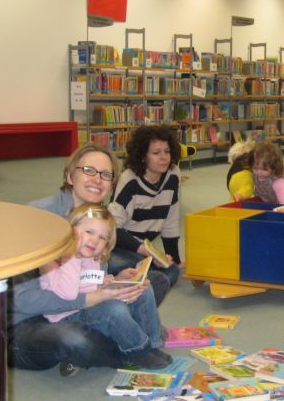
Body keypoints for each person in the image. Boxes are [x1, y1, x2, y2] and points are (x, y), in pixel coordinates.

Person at [12, 143, 144, 375]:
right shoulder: (38, 218)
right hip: (27, 322)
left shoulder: (97, 219)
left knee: (150, 282)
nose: (98, 180)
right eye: (88, 170)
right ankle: (132, 346)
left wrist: (112, 283)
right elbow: (23, 301)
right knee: (75, 339)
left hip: (73, 307)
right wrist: (89, 299)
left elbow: (90, 276)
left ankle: (115, 339)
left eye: (106, 175)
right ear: (69, 176)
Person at [39, 203, 171, 370]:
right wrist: (71, 254)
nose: (95, 240)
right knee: (113, 309)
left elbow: (93, 283)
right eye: (89, 232)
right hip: (68, 315)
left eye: (102, 238)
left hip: (92, 303)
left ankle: (152, 342)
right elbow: (70, 294)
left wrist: (117, 281)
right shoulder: (64, 259)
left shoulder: (94, 257)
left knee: (143, 289)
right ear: (71, 232)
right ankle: (139, 352)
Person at [109, 124, 183, 305]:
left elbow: (171, 220)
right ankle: (139, 282)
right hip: (123, 247)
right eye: (156, 153)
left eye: (167, 151)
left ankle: (142, 281)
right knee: (126, 267)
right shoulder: (129, 179)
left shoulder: (173, 175)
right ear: (143, 156)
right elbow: (112, 229)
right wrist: (146, 251)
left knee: (172, 270)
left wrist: (173, 258)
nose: (164, 157)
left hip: (147, 252)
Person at [252, 140, 284, 205]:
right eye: (255, 168)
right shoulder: (254, 175)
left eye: (264, 169)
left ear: (273, 166)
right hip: (266, 203)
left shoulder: (277, 181)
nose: (259, 172)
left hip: (280, 204)